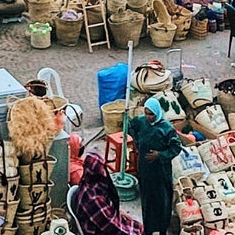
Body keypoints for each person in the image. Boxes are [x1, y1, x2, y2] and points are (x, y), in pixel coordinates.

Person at [129, 98, 188, 235]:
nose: (149, 117)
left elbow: (176, 147)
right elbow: (131, 126)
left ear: (157, 113)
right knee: (147, 199)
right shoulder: (142, 121)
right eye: (147, 113)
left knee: (162, 200)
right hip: (145, 169)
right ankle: (148, 229)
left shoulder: (166, 129)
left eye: (151, 114)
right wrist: (137, 143)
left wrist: (160, 155)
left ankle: (162, 229)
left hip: (161, 171)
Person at [75, 152, 144, 235]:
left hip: (105, 222)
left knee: (138, 226)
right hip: (96, 230)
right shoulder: (93, 199)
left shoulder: (91, 183)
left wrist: (120, 214)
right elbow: (111, 227)